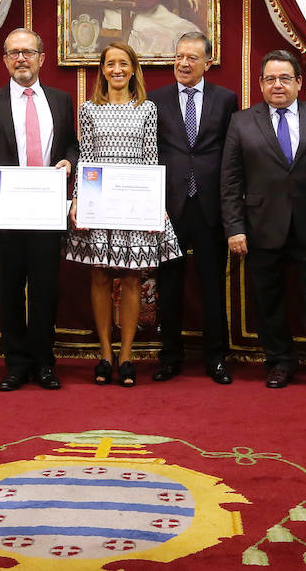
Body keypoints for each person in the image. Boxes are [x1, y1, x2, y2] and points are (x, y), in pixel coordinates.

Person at [221, 49, 306, 395]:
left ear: (299, 82)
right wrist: (235, 228)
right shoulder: (242, 122)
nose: (277, 85)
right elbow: (231, 181)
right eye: (270, 79)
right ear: (261, 84)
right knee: (268, 301)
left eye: (285, 78)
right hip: (261, 228)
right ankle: (280, 361)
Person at [0, 28, 78, 392]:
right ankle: (15, 364)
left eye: (28, 52)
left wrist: (68, 162)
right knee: (10, 290)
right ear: (4, 61)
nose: (21, 59)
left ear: (42, 58)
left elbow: (72, 146)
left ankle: (45, 364)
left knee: (46, 291)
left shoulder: (61, 100)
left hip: (47, 215)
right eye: (13, 53)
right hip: (6, 216)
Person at [66, 41, 181, 387]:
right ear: (102, 69)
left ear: (133, 70)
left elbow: (150, 158)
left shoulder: (147, 109)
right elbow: (85, 158)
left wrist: (154, 204)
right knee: (100, 277)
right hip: (98, 205)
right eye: (110, 64)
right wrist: (77, 200)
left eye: (123, 64)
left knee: (132, 277)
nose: (117, 70)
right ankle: (105, 355)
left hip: (133, 202)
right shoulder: (88, 110)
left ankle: (127, 356)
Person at [150, 31, 239, 384]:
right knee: (168, 286)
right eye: (179, 56)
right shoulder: (155, 100)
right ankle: (170, 356)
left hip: (209, 206)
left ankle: (216, 357)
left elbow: (231, 155)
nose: (183, 63)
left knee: (212, 286)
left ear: (207, 63)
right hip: (169, 209)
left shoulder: (225, 99)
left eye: (191, 58)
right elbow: (151, 153)